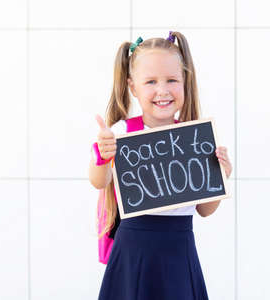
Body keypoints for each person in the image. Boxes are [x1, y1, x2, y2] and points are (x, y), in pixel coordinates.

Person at [88, 31, 232, 300]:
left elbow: (205, 210)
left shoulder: (195, 139)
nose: (162, 90)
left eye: (172, 80)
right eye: (151, 81)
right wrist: (103, 156)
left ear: (185, 82)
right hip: (133, 251)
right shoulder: (120, 133)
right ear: (133, 87)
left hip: (179, 251)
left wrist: (220, 176)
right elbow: (99, 181)